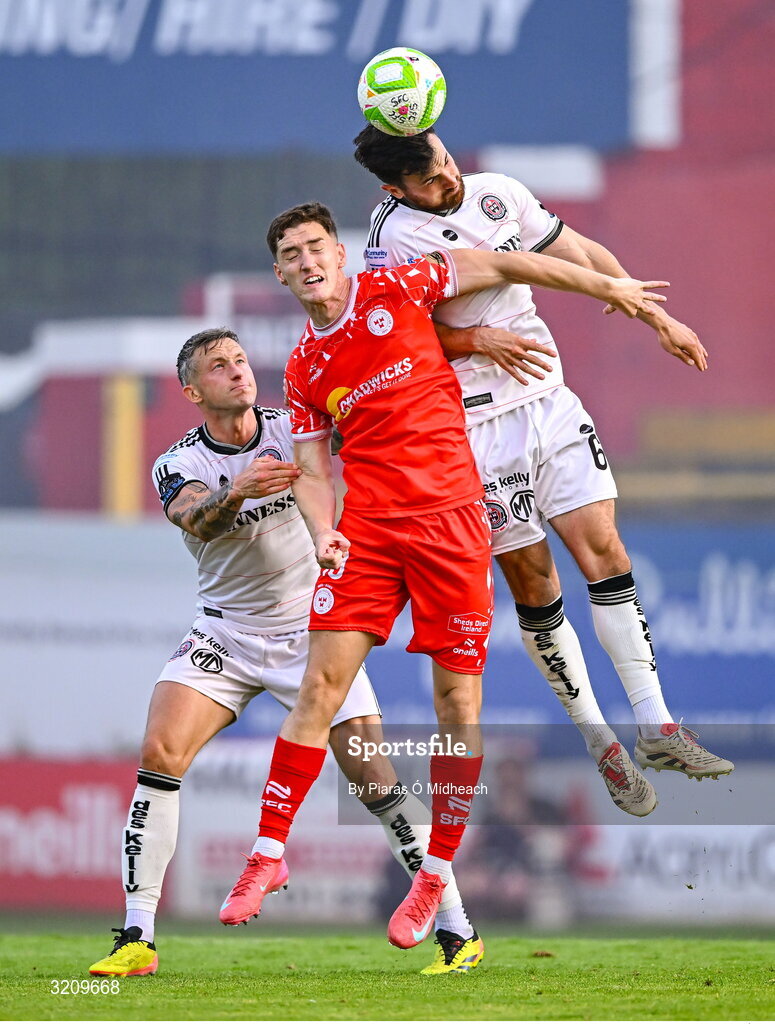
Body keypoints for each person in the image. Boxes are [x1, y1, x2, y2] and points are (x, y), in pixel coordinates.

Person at [217, 200, 670, 950]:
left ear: (338, 254)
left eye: (314, 248)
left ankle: (434, 874)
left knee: (457, 705)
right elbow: (309, 468)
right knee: (318, 689)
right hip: (366, 532)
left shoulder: (397, 286)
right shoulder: (303, 366)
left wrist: (608, 289)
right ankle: (266, 854)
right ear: (280, 273)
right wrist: (324, 533)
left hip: (452, 526)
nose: (305, 262)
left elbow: (507, 261)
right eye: (290, 255)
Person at [353, 125, 734, 817]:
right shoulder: (389, 238)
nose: (448, 182)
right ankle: (601, 742)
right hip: (471, 427)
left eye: (444, 163)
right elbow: (387, 331)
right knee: (534, 582)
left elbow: (578, 255)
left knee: (606, 551)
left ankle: (656, 726)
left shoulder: (499, 193)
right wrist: (472, 337)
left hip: (548, 402)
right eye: (431, 181)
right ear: (395, 189)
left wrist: (655, 317)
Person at [87, 327, 480, 978]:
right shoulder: (178, 463)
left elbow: (358, 452)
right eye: (219, 366)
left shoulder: (290, 430)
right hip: (225, 634)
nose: (237, 372)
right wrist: (240, 488)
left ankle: (456, 929)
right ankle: (136, 937)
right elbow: (195, 519)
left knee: (374, 781)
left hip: (312, 633)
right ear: (193, 391)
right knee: (159, 754)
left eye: (240, 360)